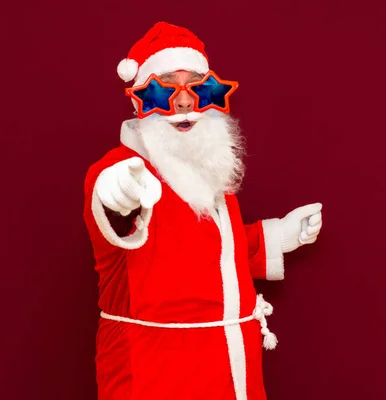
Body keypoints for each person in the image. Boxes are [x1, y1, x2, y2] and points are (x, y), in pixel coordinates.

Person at [82, 22, 323, 400]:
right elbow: (110, 203)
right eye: (165, 87)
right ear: (137, 100)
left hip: (228, 364)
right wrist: (116, 194)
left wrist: (276, 237)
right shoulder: (123, 167)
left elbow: (206, 250)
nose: (183, 101)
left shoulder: (207, 168)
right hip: (157, 369)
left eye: (196, 85)